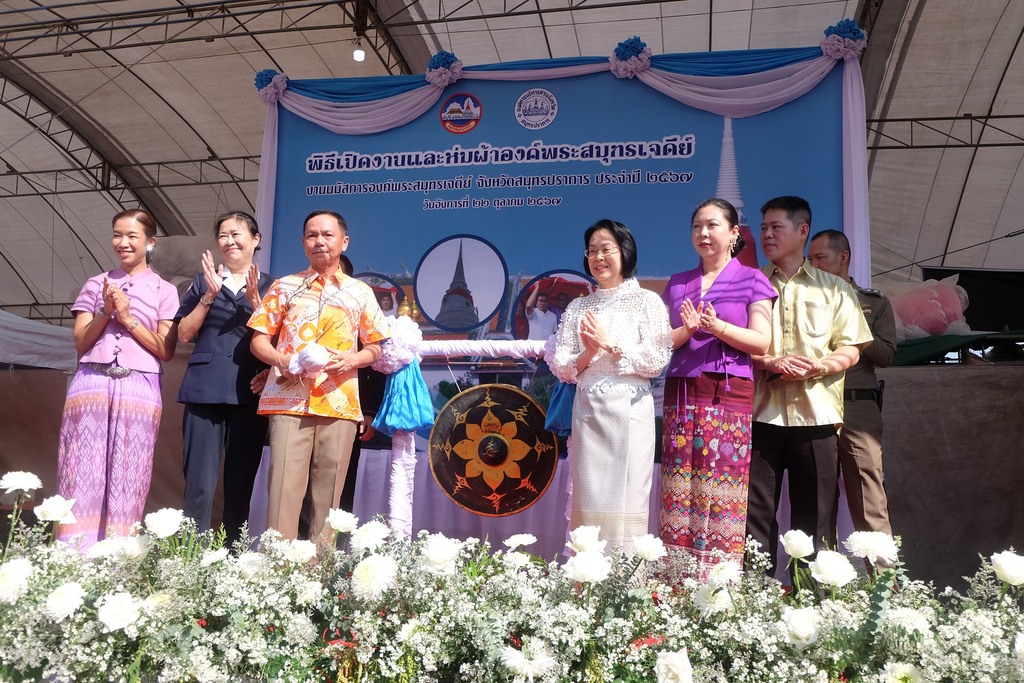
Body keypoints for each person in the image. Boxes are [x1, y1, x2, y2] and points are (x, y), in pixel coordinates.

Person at [745, 196, 872, 575]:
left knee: (815, 519)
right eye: (764, 227)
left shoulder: (834, 288)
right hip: (760, 416)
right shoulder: (751, 285)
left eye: (776, 227)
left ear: (802, 231)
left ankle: (811, 599)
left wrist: (817, 368)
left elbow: (851, 347)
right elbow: (735, 346)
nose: (767, 234)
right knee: (756, 516)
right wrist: (768, 362)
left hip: (817, 418)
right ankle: (756, 599)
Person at [248, 209, 389, 544]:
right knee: (284, 489)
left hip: (338, 402)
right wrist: (282, 359)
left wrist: (354, 358)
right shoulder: (285, 287)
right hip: (287, 400)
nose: (319, 241)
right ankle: (279, 575)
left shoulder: (360, 292)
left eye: (327, 235)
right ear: (303, 242)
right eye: (312, 235)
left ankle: (319, 577)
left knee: (328, 498)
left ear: (344, 241)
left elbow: (376, 348)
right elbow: (258, 340)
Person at [659, 198, 776, 576]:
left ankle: (719, 585)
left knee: (722, 482)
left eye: (712, 225)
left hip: (728, 391)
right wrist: (688, 330)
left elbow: (762, 343)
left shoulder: (753, 279)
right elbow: (661, 342)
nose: (703, 233)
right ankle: (677, 581)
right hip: (682, 391)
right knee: (681, 485)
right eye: (697, 226)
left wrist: (718, 328)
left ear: (733, 234)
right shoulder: (678, 283)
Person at [55, 208, 179, 549]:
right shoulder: (96, 284)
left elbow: (165, 349)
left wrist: (127, 317)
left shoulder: (164, 290)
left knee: (130, 472)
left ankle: (118, 558)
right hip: (91, 382)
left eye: (132, 236)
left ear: (150, 243)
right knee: (82, 469)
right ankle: (72, 557)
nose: (122, 243)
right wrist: (106, 312)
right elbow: (81, 343)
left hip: (139, 386)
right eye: (117, 235)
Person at [551, 219, 672, 554]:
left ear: (624, 252)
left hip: (630, 411)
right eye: (592, 251)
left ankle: (626, 587)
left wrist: (610, 344)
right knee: (589, 497)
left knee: (627, 496)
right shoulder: (578, 307)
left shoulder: (646, 301)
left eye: (606, 249)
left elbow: (656, 360)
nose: (598, 257)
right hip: (589, 410)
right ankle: (586, 581)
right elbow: (563, 366)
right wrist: (590, 351)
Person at [175, 211, 274, 544]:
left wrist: (257, 302)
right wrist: (208, 297)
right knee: (199, 484)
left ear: (255, 239)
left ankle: (234, 557)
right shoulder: (203, 280)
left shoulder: (273, 286)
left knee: (240, 482)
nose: (229, 241)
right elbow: (184, 334)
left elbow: (284, 342)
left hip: (250, 392)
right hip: (204, 392)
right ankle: (191, 554)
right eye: (223, 235)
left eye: (237, 234)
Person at [808, 229, 897, 541]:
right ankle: (817, 587)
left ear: (843, 257)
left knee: (869, 497)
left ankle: (885, 586)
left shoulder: (874, 302)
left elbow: (886, 355)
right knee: (817, 501)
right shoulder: (801, 301)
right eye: (810, 259)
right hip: (813, 405)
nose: (814, 265)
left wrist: (854, 320)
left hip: (856, 407)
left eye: (821, 258)